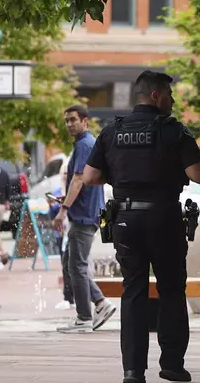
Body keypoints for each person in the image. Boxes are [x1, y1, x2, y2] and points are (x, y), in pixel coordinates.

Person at [83, 70, 200, 383]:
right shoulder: (173, 131)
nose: (173, 100)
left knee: (133, 292)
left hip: (126, 220)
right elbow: (197, 174)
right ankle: (172, 366)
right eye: (169, 94)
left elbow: (90, 177)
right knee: (171, 291)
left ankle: (133, 371)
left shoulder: (113, 130)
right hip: (164, 220)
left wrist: (121, 175)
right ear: (155, 96)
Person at [53, 105, 116, 334]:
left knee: (76, 267)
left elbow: (79, 179)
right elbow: (82, 182)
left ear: (85, 121)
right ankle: (100, 303)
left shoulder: (84, 144)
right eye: (67, 120)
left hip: (83, 216)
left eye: (73, 120)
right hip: (85, 212)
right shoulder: (87, 144)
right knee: (71, 265)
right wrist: (66, 198)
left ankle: (85, 317)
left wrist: (63, 209)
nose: (69, 124)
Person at [49, 163, 74, 310]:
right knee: (65, 264)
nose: (65, 174)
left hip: (71, 230)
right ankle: (69, 297)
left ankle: (71, 297)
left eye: (67, 172)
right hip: (61, 233)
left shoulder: (75, 190)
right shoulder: (59, 190)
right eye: (63, 172)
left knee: (72, 265)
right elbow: (52, 213)